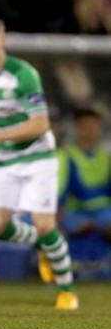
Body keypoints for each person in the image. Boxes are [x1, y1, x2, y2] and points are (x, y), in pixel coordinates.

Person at [0, 12, 78, 310]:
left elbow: (39, 124)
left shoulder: (23, 74)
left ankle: (67, 291)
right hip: (3, 163)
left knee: (45, 224)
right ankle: (42, 244)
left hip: (37, 157)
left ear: (2, 40)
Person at [57, 107, 111, 279]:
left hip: (104, 212)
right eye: (85, 126)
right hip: (75, 212)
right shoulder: (66, 156)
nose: (90, 130)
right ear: (77, 128)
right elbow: (64, 191)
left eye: (94, 126)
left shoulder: (105, 158)